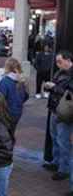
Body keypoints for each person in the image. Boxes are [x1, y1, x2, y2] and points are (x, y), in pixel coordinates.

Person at [43, 50, 73, 182]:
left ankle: (64, 169)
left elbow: (69, 94)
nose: (57, 64)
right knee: (55, 137)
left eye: (60, 61)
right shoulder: (60, 72)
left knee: (63, 141)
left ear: (68, 60)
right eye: (57, 62)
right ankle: (56, 162)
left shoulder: (71, 74)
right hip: (55, 109)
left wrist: (54, 87)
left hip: (64, 112)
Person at [0, 58, 29, 132]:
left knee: (5, 134)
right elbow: (25, 96)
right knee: (11, 132)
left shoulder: (5, 81)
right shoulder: (21, 80)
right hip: (17, 111)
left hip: (8, 112)